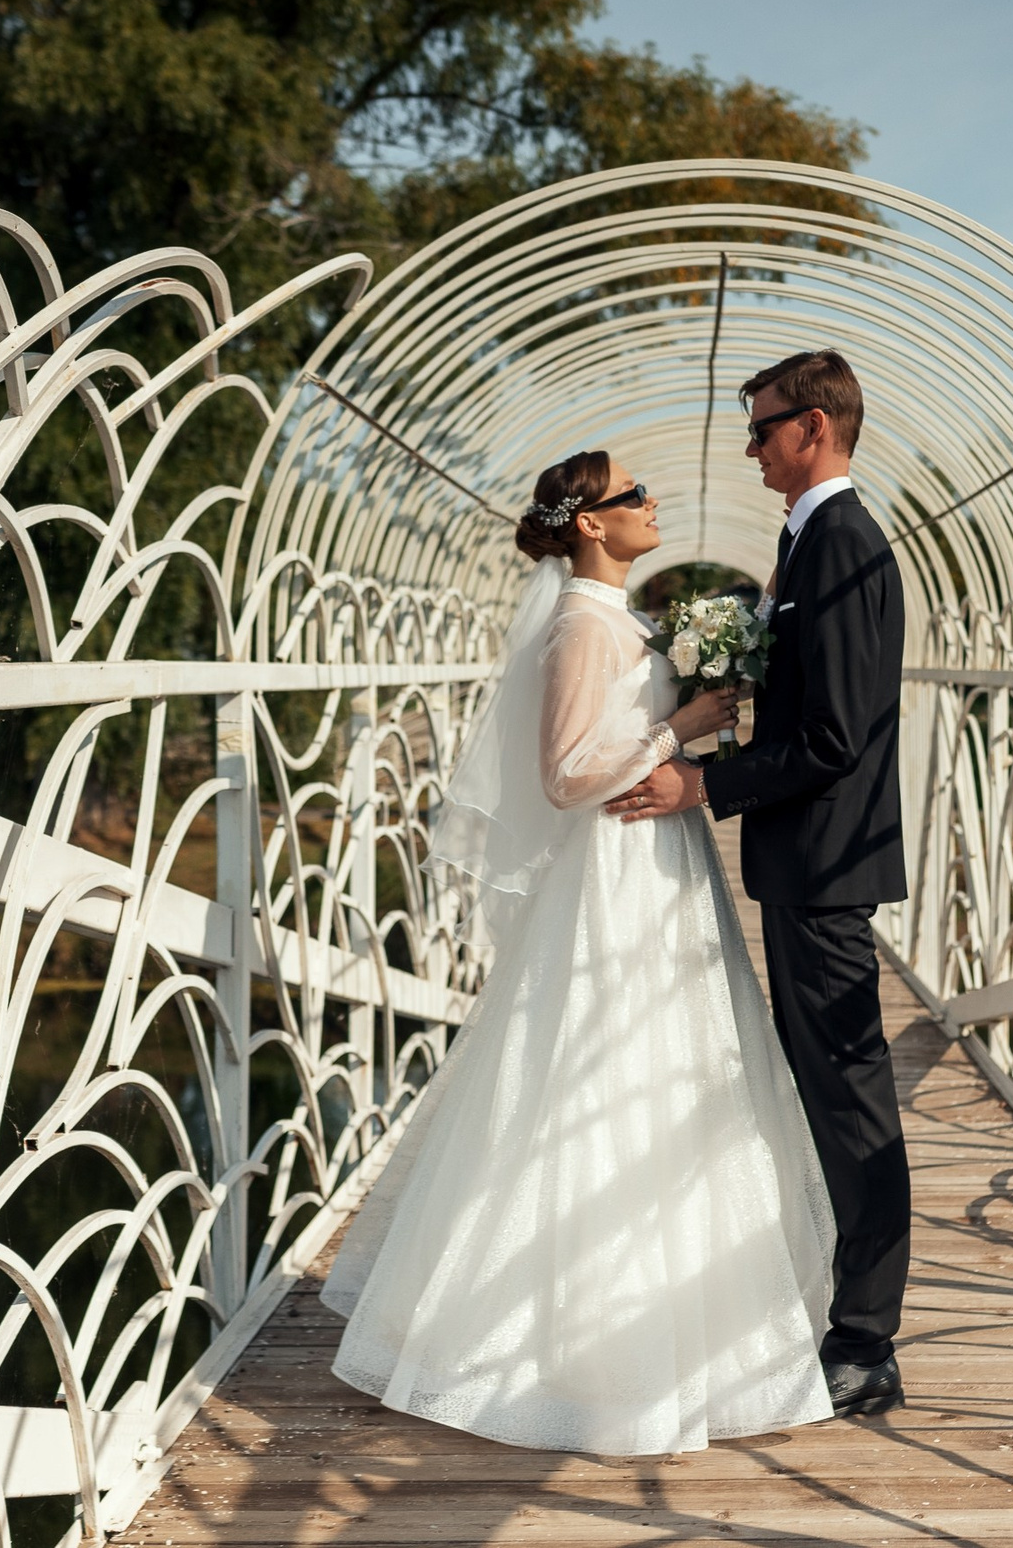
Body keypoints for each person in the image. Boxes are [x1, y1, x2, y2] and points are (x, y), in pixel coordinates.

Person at [324, 451, 838, 1455]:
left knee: (671, 1075)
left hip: (655, 859)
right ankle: (563, 1353)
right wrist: (679, 727)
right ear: (592, 524)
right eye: (633, 495)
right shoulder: (580, 623)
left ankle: (672, 1334)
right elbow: (564, 776)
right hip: (611, 873)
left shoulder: (617, 618)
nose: (652, 502)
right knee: (603, 1076)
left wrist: (694, 720)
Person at [608, 349, 910, 1418]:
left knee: (851, 1098)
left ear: (814, 427)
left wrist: (702, 783)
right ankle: (843, 1309)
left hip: (826, 868)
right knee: (827, 1088)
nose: (750, 447)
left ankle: (867, 1341)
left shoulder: (842, 545)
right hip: (805, 862)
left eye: (763, 426)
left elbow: (833, 737)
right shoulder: (807, 542)